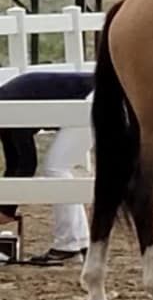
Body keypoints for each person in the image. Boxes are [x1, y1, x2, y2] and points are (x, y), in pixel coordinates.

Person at [0, 72, 94, 263]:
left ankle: (69, 245)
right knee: (58, 167)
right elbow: (13, 164)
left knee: (56, 168)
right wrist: (5, 207)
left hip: (92, 100)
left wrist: (5, 211)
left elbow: (27, 164)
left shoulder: (9, 110)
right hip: (89, 99)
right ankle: (78, 242)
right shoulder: (5, 112)